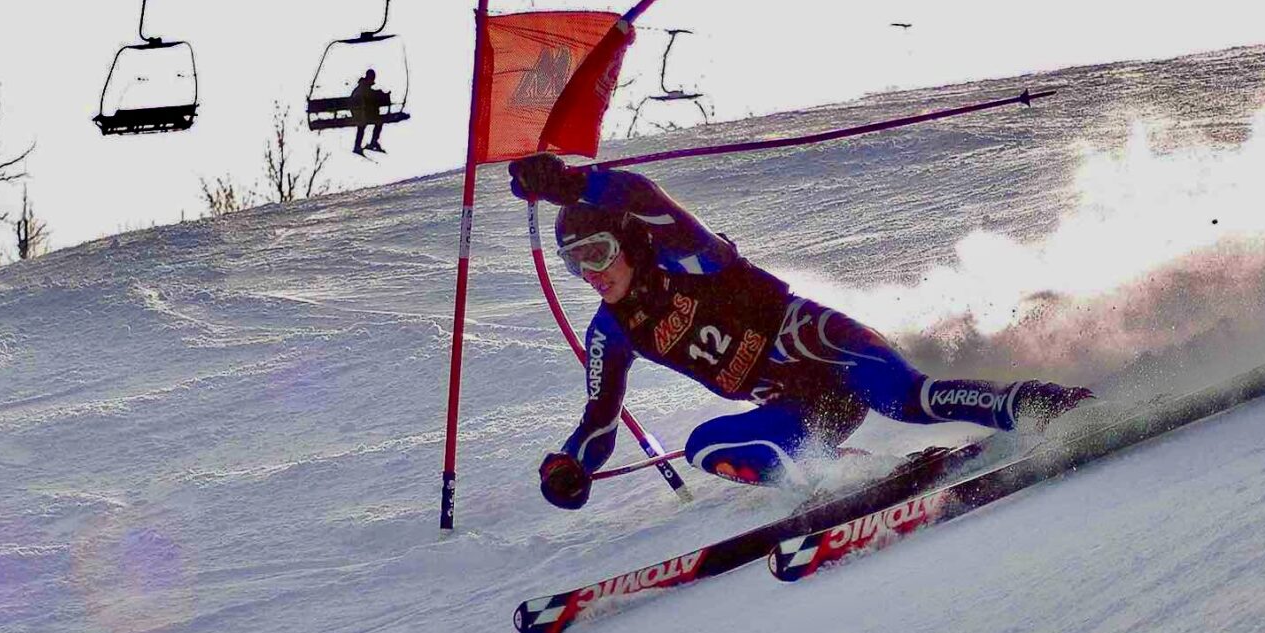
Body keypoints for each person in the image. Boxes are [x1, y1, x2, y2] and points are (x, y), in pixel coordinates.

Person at [508, 153, 1094, 510]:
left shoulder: (689, 258)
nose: (591, 272)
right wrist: (570, 465)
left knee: (904, 398)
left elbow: (641, 197)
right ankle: (855, 474)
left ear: (629, 240)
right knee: (705, 447)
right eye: (574, 262)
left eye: (600, 251)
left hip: (824, 348)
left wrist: (570, 184)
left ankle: (1040, 404)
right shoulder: (610, 332)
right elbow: (600, 421)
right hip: (800, 406)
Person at [348, 69, 394, 155]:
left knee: (368, 123)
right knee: (375, 121)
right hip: (361, 114)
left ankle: (360, 145)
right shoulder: (363, 88)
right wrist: (382, 94)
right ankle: (370, 142)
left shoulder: (362, 86)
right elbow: (370, 96)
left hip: (360, 113)